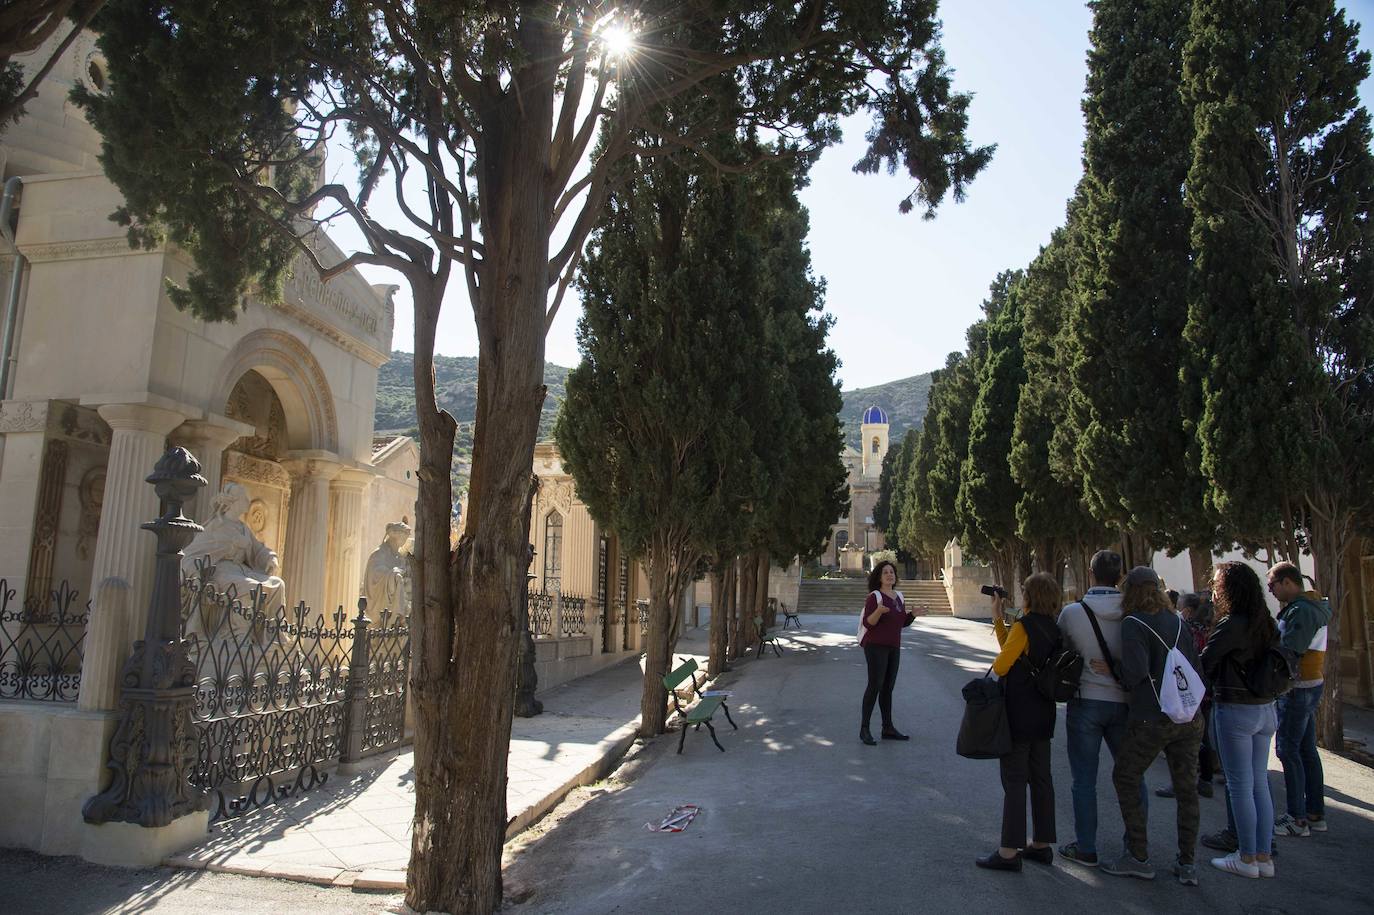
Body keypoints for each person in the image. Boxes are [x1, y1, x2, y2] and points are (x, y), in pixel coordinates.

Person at [1102, 567, 1206, 886]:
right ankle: (1187, 863)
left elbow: (1134, 673)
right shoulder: (1177, 621)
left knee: (1126, 776)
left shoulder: (1133, 623)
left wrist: (1111, 668)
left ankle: (1138, 855)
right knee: (1186, 788)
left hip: (1152, 717)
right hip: (1188, 716)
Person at [1054, 549, 1146, 867]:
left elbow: (1061, 652)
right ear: (1120, 576)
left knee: (1084, 780)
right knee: (1133, 778)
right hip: (1125, 703)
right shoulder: (1134, 612)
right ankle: (1136, 848)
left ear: (1091, 574)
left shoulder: (1073, 613)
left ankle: (1086, 847)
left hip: (1085, 700)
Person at [976, 573, 1063, 872]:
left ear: (1030, 596)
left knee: (1014, 780)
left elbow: (1002, 664)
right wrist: (998, 619)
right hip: (1044, 712)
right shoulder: (1054, 626)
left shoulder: (1026, 626)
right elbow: (1013, 651)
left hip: (1019, 711)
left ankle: (1008, 851)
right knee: (1041, 778)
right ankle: (1041, 844)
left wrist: (1003, 621)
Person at [1199, 562, 1278, 879]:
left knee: (1240, 786)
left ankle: (1246, 857)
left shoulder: (1232, 624)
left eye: (1218, 583)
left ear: (1231, 589)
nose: (1214, 590)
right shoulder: (1266, 623)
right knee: (1259, 785)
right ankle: (1263, 856)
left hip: (1236, 709)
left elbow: (1206, 661)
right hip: (1265, 708)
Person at [1268, 561, 1332, 837]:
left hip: (1298, 686)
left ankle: (1296, 817)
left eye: (1272, 585)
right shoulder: (1307, 607)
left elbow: (1289, 650)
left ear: (1287, 582)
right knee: (1305, 749)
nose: (1270, 590)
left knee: (1288, 749)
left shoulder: (1302, 611)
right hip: (1307, 684)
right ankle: (1314, 813)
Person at [1156, 593, 1216, 799]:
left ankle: (1181, 782)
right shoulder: (1209, 628)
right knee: (1203, 737)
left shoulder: (1182, 628)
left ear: (1187, 610)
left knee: (1182, 741)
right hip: (1204, 689)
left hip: (1186, 690)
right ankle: (1205, 779)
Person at [858, 560, 925, 745]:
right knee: (875, 685)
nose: (890, 574)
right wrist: (879, 611)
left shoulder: (899, 597)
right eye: (885, 572)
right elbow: (868, 623)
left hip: (893, 647)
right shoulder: (875, 597)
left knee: (888, 688)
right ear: (879, 577)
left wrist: (912, 615)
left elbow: (901, 622)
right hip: (875, 647)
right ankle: (864, 729)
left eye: (892, 572)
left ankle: (887, 727)